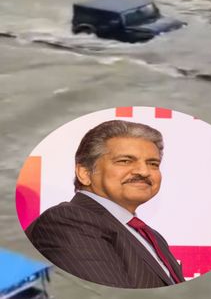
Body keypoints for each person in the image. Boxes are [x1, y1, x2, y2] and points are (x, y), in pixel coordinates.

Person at [25, 120, 185, 288]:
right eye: (125, 161)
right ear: (85, 173)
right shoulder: (67, 221)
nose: (144, 171)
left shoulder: (153, 237)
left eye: (153, 164)